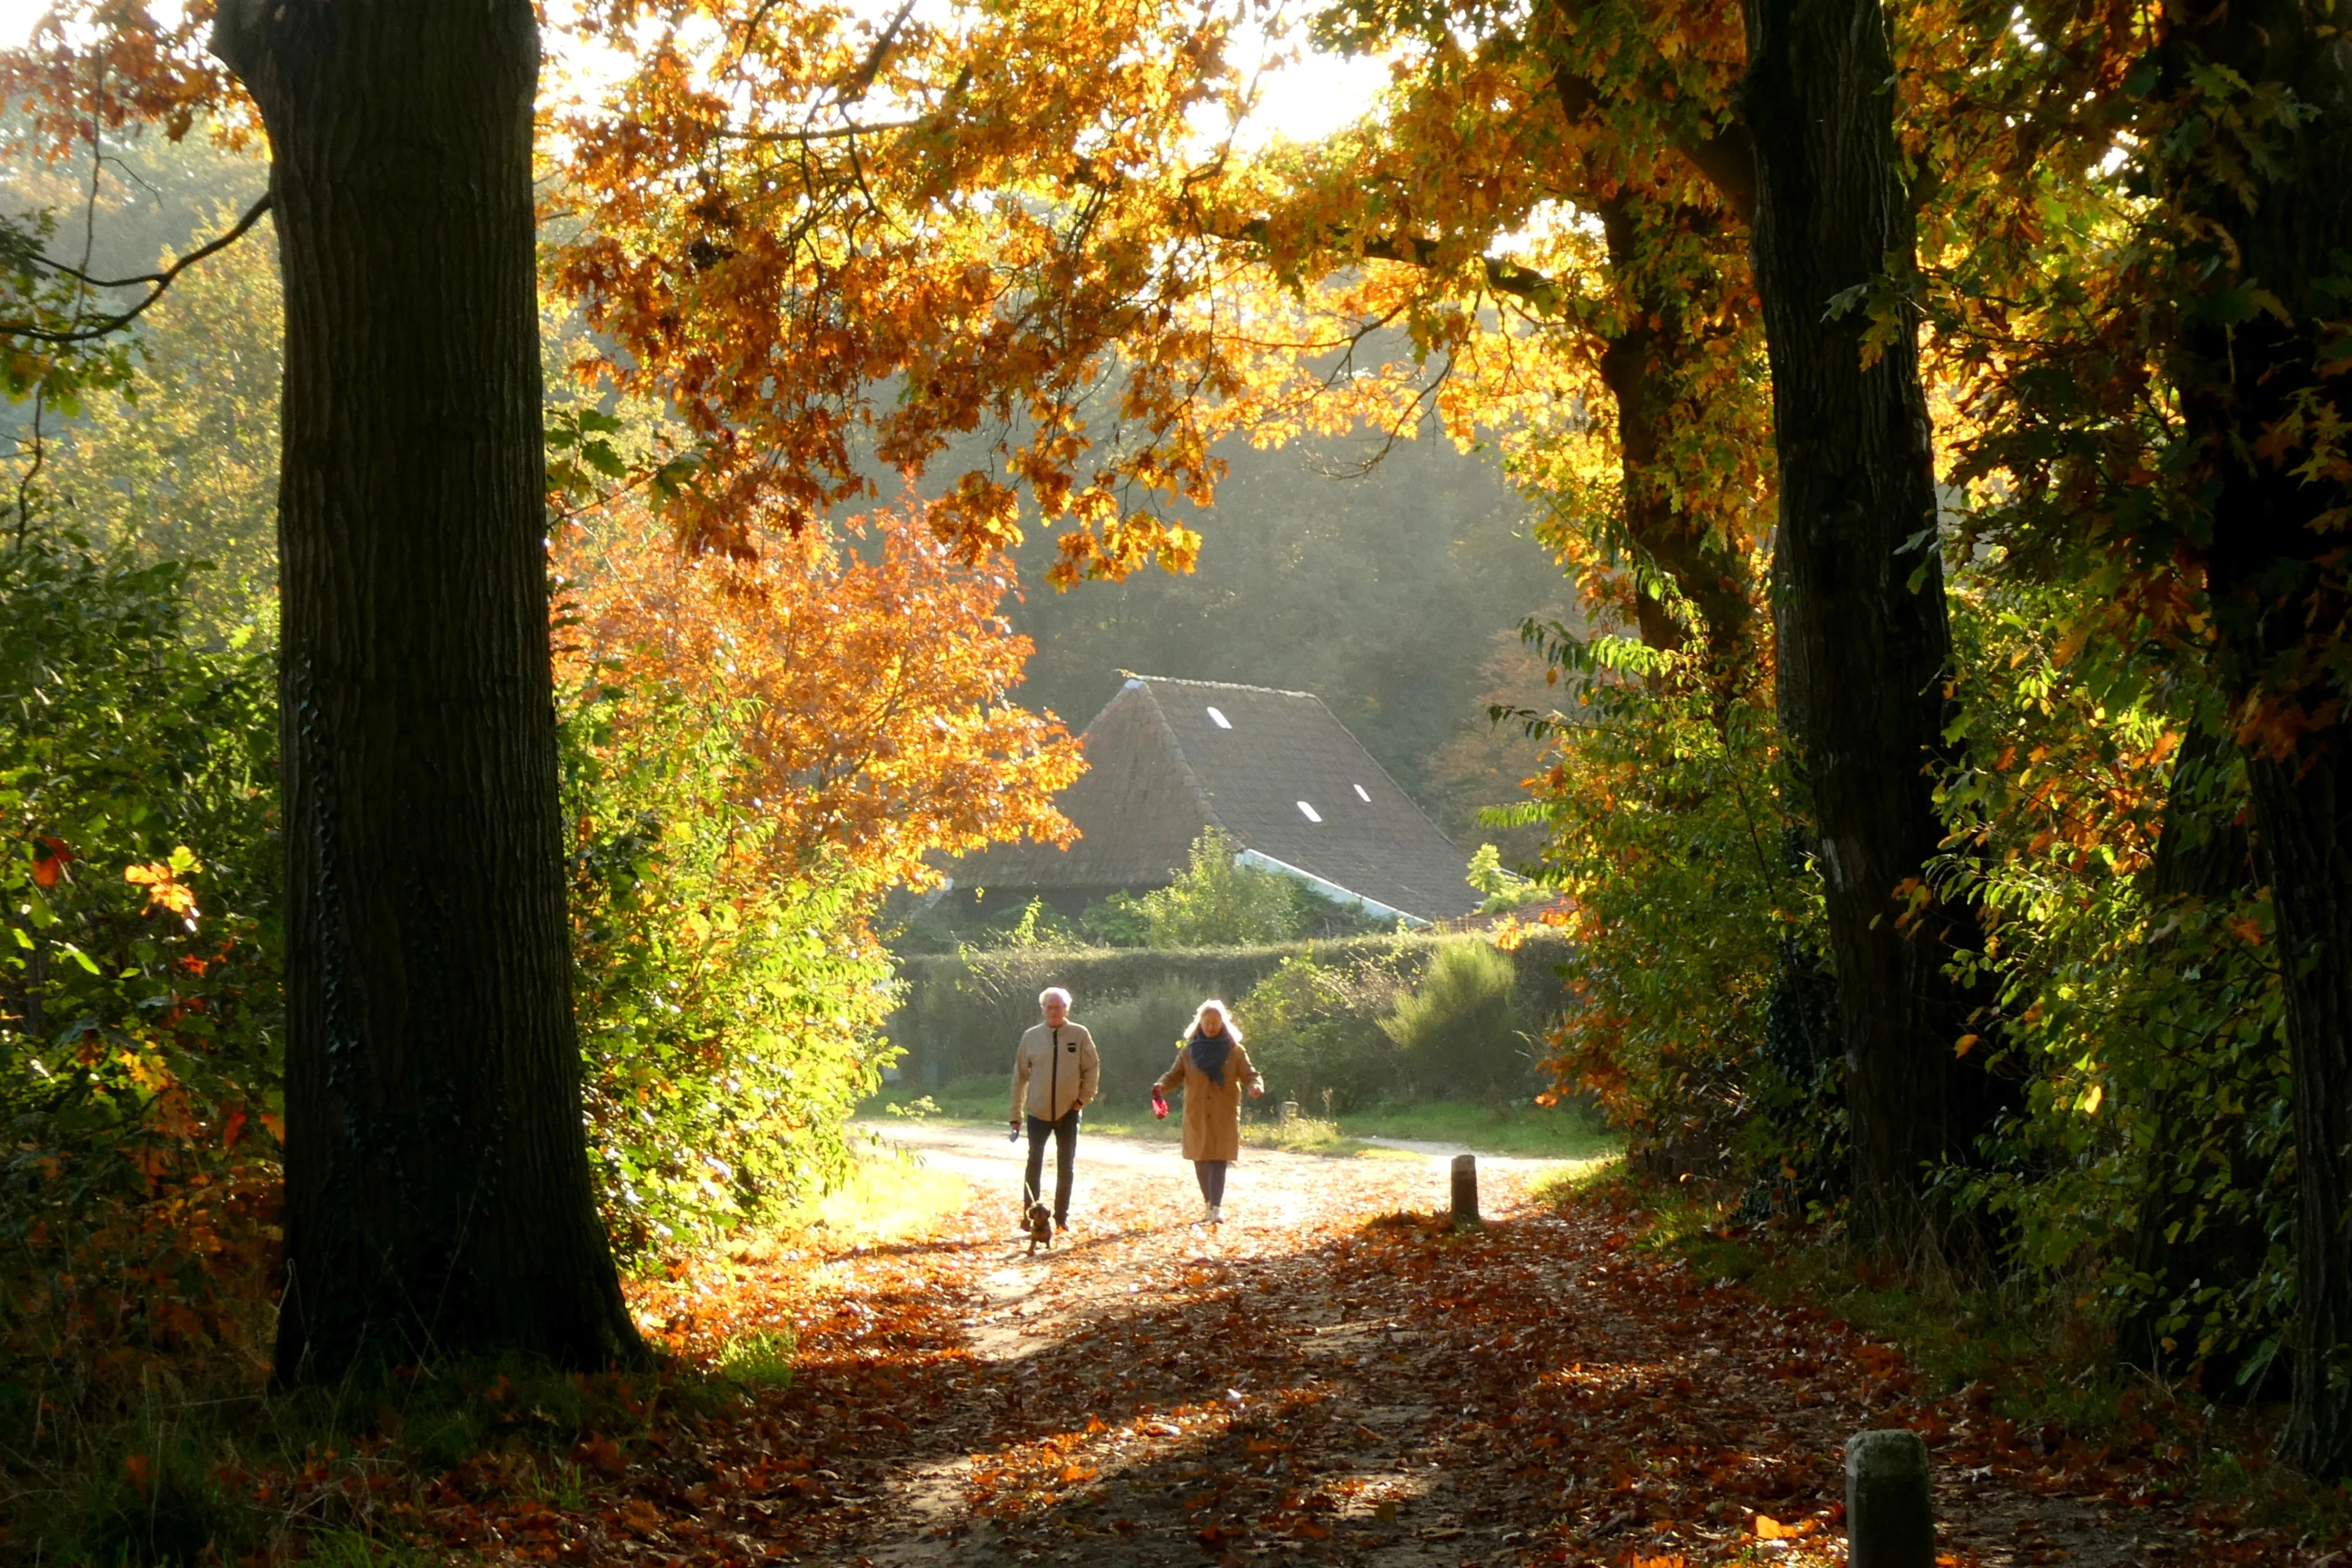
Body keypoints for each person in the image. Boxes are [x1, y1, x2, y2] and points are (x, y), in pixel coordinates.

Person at [1154, 998, 1263, 1224]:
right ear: (1200, 1024)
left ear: (1223, 1024)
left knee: (1219, 1160)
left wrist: (1255, 1086)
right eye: (1207, 1023)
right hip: (1197, 1113)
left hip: (1224, 1113)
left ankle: (1216, 1208)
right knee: (1201, 1159)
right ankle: (1208, 1203)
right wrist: (1162, 1085)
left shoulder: (1235, 1051)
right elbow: (1174, 1075)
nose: (1211, 1027)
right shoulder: (1189, 1052)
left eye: (1215, 1022)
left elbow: (1251, 1074)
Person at [1010, 986, 1099, 1235]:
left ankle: (1061, 1218)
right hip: (1037, 1111)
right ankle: (1029, 1216)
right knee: (1034, 1164)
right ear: (1043, 1010)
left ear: (1067, 1009)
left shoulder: (1079, 1034)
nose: (1054, 1012)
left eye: (1059, 1007)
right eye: (1049, 1007)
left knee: (1066, 1166)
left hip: (1069, 1110)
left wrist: (1084, 1099)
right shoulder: (1031, 1037)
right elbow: (1019, 1077)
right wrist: (1015, 1115)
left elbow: (1092, 1068)